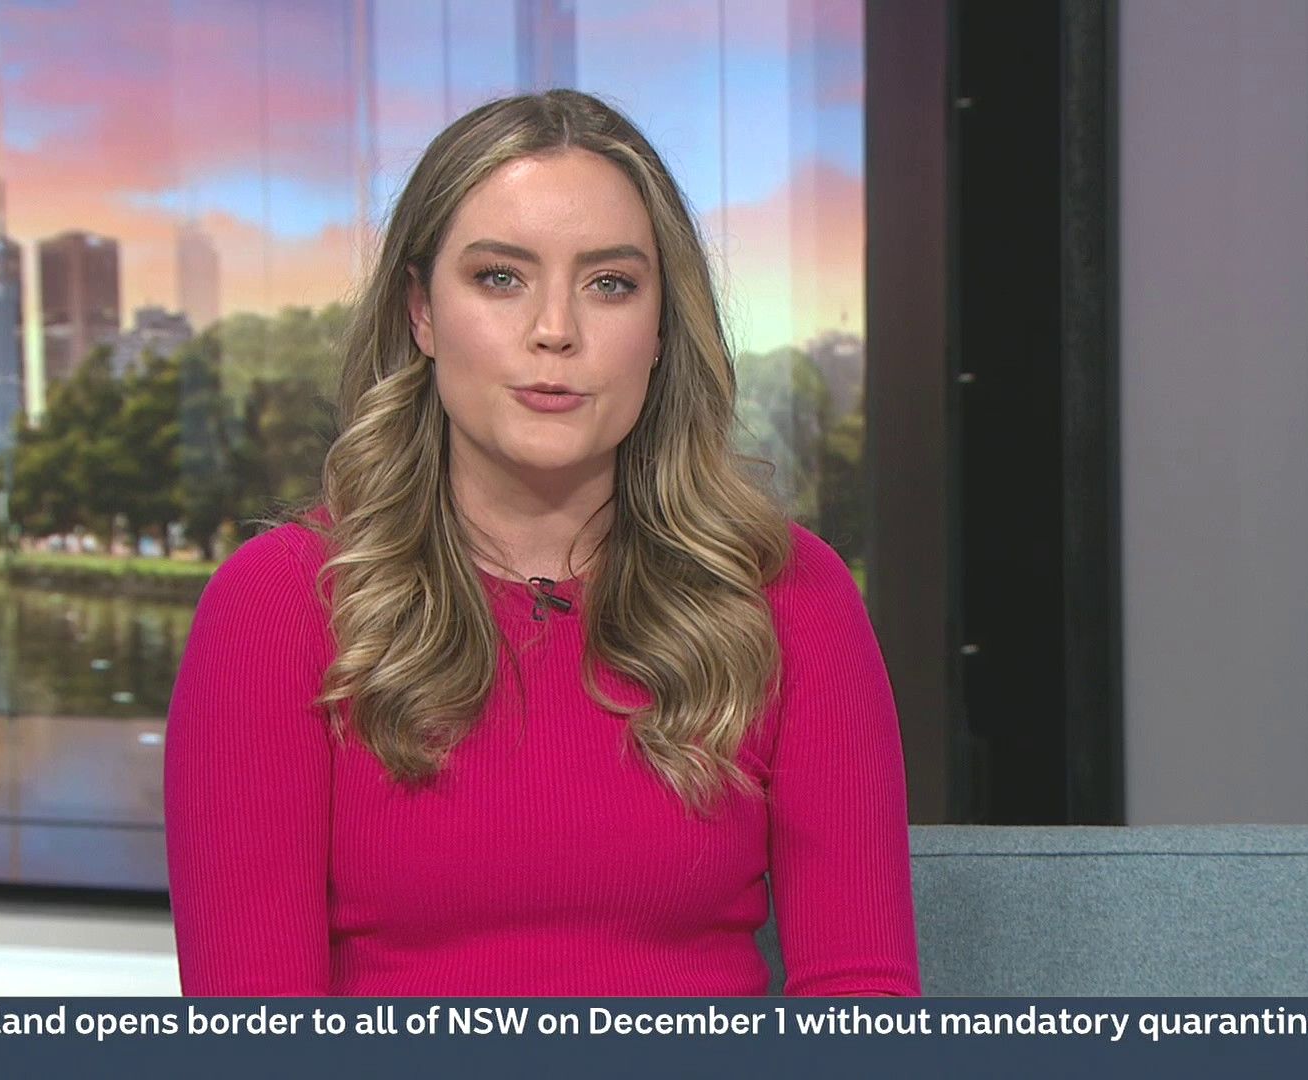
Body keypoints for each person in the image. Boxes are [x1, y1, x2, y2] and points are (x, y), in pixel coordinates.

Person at [163, 89, 918, 996]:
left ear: (661, 330)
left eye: (610, 284)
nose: (555, 330)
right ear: (421, 312)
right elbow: (256, 1035)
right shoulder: (277, 605)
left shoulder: (788, 594)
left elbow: (862, 1006)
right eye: (499, 278)